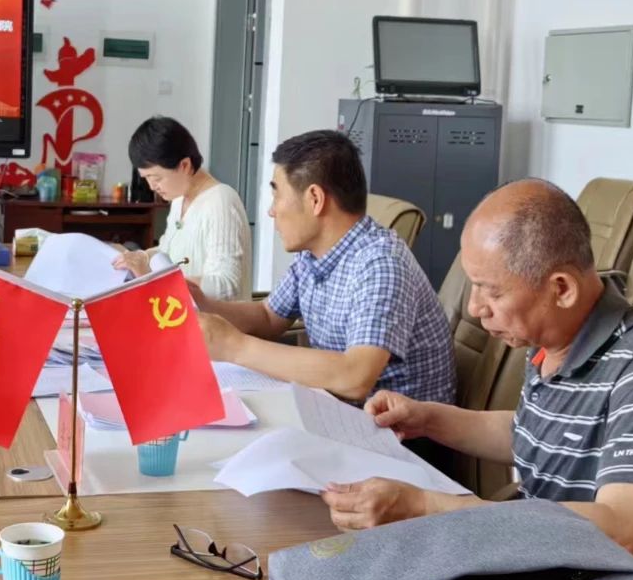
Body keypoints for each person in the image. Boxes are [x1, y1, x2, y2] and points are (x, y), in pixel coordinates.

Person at [320, 179, 633, 580]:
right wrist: (428, 419)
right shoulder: (552, 345)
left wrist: (427, 506)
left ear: (561, 288)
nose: (474, 308)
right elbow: (532, 433)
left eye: (490, 290)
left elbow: (621, 531)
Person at [195, 130, 454, 403]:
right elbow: (268, 317)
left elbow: (356, 378)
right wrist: (202, 304)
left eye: (277, 195)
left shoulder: (381, 263)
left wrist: (236, 347)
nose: (271, 211)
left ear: (315, 199)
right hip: (341, 409)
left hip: (397, 426)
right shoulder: (312, 255)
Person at [112, 116, 252, 300]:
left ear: (185, 165)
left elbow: (226, 286)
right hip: (179, 311)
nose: (152, 187)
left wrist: (150, 277)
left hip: (212, 318)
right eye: (146, 178)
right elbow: (167, 250)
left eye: (157, 178)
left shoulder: (220, 201)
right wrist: (139, 257)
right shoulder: (179, 200)